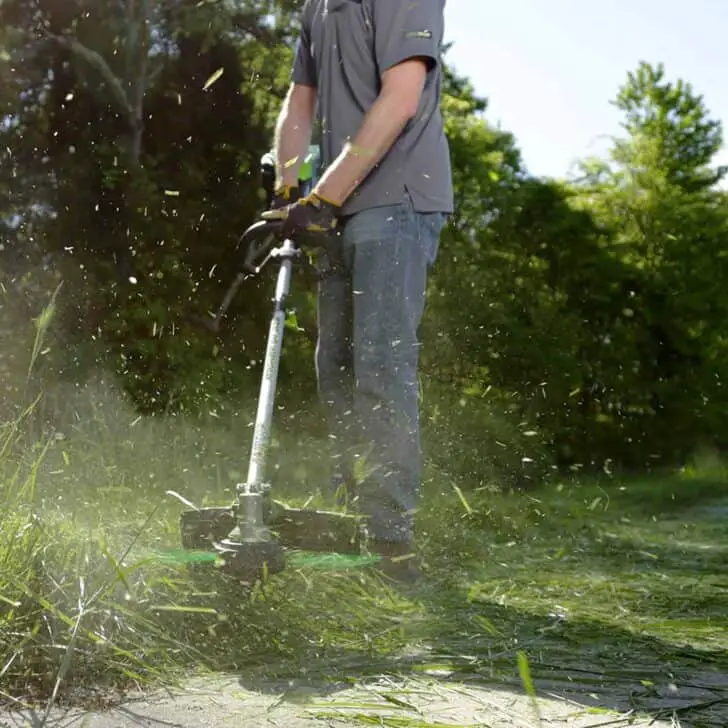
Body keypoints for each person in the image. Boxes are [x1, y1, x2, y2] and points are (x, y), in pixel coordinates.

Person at [262, 0, 453, 582]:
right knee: (335, 369)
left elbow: (401, 97)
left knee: (380, 362)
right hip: (336, 207)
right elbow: (301, 101)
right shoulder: (318, 7)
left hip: (395, 199)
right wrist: (287, 186)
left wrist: (323, 196)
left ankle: (391, 541)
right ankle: (351, 521)